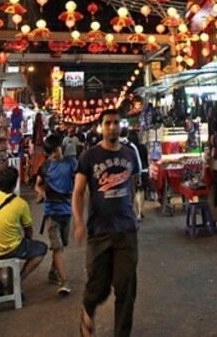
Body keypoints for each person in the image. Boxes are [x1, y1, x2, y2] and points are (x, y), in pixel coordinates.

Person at [73, 108, 140, 337]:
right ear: (101, 127)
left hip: (126, 231)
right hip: (99, 232)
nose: (112, 127)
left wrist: (134, 212)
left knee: (126, 288)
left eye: (116, 122)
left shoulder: (130, 154)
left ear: (121, 126)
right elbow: (78, 192)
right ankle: (87, 309)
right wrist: (79, 222)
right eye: (108, 123)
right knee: (98, 287)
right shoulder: (89, 157)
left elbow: (131, 185)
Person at [0, 167, 48, 292]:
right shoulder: (20, 204)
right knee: (41, 248)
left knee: (1, 238)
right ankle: (17, 281)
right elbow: (28, 230)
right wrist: (27, 240)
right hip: (10, 249)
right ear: (15, 184)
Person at [35, 134, 76, 296]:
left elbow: (80, 181)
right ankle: (64, 281)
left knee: (61, 246)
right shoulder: (45, 166)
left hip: (66, 211)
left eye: (56, 150)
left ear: (62, 147)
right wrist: (42, 192)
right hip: (51, 212)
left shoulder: (71, 163)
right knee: (57, 247)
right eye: (51, 152)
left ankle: (53, 271)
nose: (54, 154)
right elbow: (37, 184)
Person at [120, 127, 148, 221]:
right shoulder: (138, 146)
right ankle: (140, 212)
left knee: (134, 193)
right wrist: (139, 173)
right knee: (140, 192)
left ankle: (136, 212)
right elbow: (140, 161)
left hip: (129, 173)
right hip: (140, 171)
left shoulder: (122, 146)